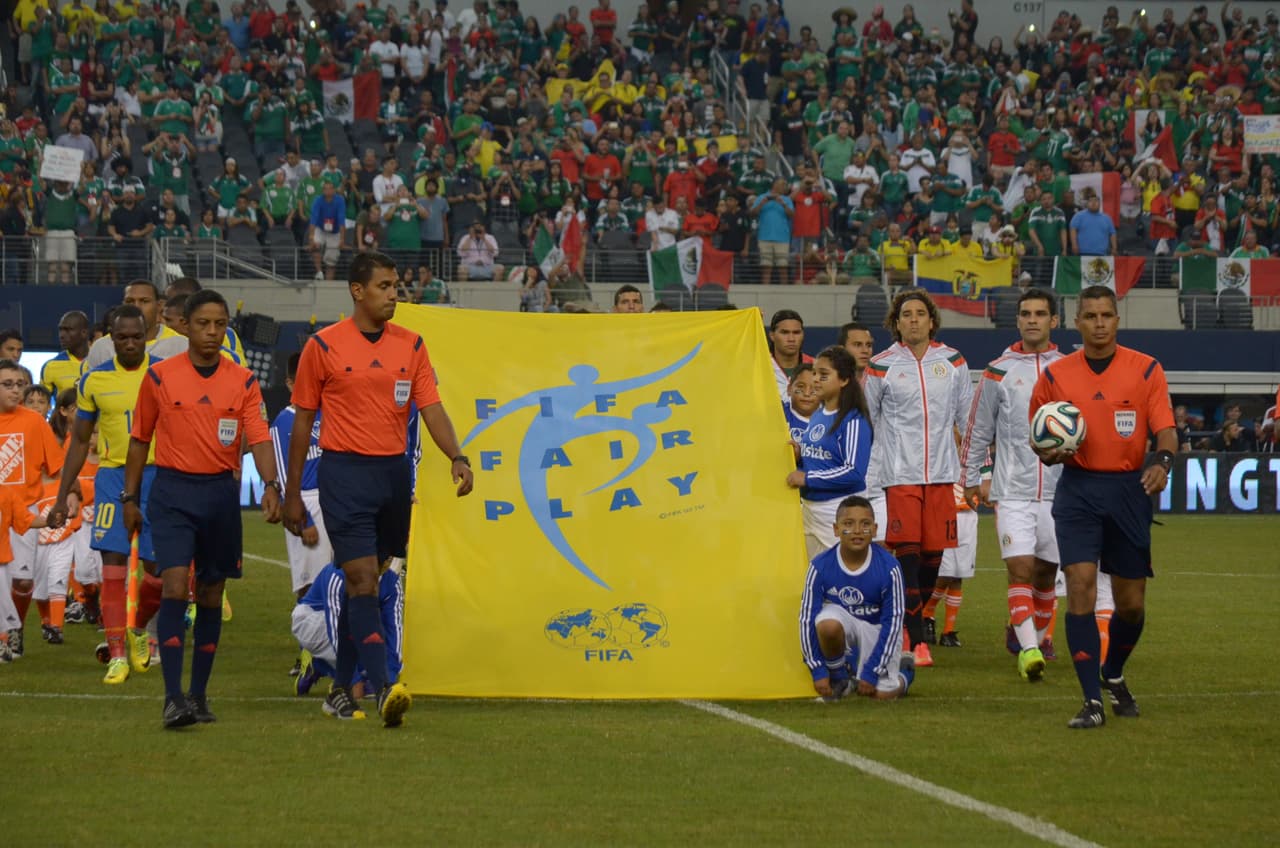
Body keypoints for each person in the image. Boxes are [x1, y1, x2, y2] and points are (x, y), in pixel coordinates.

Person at [284, 251, 474, 727]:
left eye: (396, 286)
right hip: (343, 474)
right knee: (363, 578)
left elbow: (431, 407)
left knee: (369, 582)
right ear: (357, 290)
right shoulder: (322, 347)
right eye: (385, 286)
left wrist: (458, 455)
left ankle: (340, 690)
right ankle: (383, 686)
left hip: (392, 477)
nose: (394, 294)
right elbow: (303, 419)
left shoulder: (411, 345)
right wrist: (290, 492)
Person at [123, 289, 283, 728]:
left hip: (219, 496)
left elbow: (262, 437)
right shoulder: (159, 377)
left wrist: (271, 485)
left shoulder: (244, 381)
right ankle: (172, 697)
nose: (212, 332)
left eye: (219, 324)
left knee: (211, 593)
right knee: (175, 586)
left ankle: (198, 694)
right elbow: (139, 440)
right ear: (185, 327)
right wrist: (129, 497)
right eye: (203, 324)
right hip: (173, 493)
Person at [1030, 285, 1176, 729]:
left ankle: (1113, 672)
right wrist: (1049, 452)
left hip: (1129, 491)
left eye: (1105, 316)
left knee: (1131, 604)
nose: (1098, 323)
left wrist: (1162, 462)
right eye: (1089, 316)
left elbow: (1166, 430)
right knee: (1079, 585)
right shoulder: (1056, 376)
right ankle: (1091, 700)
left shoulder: (1146, 369)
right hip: (1077, 489)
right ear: (1077, 322)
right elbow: (1039, 438)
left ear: (1117, 320)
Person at [49, 306, 166, 684]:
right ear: (110, 339)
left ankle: (138, 627)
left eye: (136, 336)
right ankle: (117, 653)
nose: (130, 343)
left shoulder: (164, 372)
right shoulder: (95, 380)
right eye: (122, 337)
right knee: (112, 571)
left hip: (158, 478)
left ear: (147, 333)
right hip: (113, 478)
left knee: (159, 573)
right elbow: (81, 439)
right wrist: (63, 491)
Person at [863, 289, 973, 667]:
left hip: (942, 473)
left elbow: (966, 420)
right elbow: (870, 422)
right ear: (896, 322)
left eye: (919, 313)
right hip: (899, 473)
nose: (913, 320)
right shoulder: (880, 366)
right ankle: (915, 635)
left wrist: (973, 471)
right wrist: (874, 474)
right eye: (905, 314)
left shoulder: (954, 362)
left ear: (931, 320)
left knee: (932, 557)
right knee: (907, 552)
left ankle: (913, 620)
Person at [961, 288, 1065, 681]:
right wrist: (974, 478)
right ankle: (1031, 650)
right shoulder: (997, 370)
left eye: (1041, 313)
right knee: (1020, 567)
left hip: (1060, 490)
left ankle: (1029, 638)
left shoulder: (1069, 367)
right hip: (1012, 489)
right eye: (1026, 313)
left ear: (1054, 320)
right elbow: (978, 429)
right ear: (1018, 320)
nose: (1033, 319)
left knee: (1045, 573)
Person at [800, 495, 914, 702]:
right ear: (836, 529)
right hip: (846, 628)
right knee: (826, 624)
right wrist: (818, 670)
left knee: (879, 695)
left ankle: (905, 674)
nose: (857, 531)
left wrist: (872, 672)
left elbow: (893, 624)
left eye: (865, 524)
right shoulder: (820, 566)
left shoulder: (889, 568)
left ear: (875, 528)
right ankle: (840, 678)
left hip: (878, 633)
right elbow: (807, 620)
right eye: (848, 524)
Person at [0, 358, 64, 659]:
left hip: (24, 510)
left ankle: (16, 628)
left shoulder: (35, 422)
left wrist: (69, 498)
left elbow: (57, 467)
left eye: (19, 385)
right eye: (7, 385)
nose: (16, 391)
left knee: (23, 580)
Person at [786, 347, 872, 559]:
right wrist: (800, 458)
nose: (815, 380)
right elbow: (821, 460)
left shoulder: (853, 420)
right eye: (814, 373)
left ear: (843, 380)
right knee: (813, 576)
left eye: (823, 375)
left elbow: (854, 472)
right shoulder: (818, 414)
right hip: (809, 510)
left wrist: (807, 478)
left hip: (838, 510)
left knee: (842, 577)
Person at [271, 353, 332, 614]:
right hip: (305, 503)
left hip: (332, 502)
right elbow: (284, 477)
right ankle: (307, 652)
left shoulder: (327, 413)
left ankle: (331, 647)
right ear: (289, 383)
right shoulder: (284, 421)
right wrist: (303, 520)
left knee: (333, 580)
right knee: (310, 584)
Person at [291, 560, 403, 698]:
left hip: (347, 625)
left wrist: (389, 682)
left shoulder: (392, 582)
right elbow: (337, 629)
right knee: (358, 625)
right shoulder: (338, 573)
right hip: (311, 620)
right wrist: (354, 681)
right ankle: (340, 676)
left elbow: (394, 631)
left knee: (375, 631)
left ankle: (318, 664)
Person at [41, 312, 91, 396]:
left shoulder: (100, 361)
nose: (62, 335)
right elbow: (41, 403)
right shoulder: (51, 366)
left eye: (68, 330)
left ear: (84, 333)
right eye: (60, 330)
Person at [768, 309, 812, 401]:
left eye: (796, 333)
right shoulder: (759, 367)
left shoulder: (815, 367)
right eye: (784, 332)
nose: (791, 339)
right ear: (772, 335)